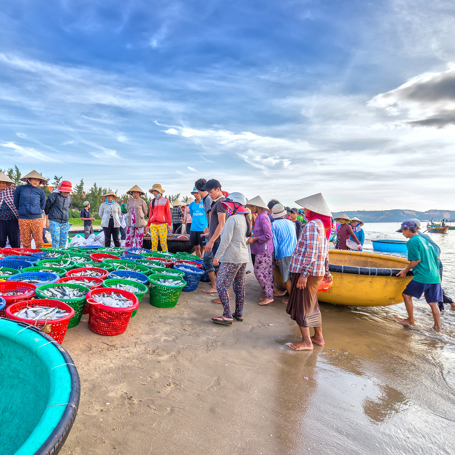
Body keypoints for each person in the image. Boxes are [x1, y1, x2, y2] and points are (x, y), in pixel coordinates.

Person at [286, 193, 333, 351]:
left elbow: (312, 252)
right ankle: (318, 337)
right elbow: (325, 251)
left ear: (313, 210)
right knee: (312, 304)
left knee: (302, 306)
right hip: (316, 271)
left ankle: (307, 342)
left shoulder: (313, 225)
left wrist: (304, 275)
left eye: (306, 208)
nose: (304, 211)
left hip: (308, 272)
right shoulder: (321, 225)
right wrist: (327, 271)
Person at [211, 192, 252, 325]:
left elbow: (225, 241)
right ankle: (238, 313)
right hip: (242, 258)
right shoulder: (245, 219)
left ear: (236, 205)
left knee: (221, 285)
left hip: (231, 258)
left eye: (229, 205)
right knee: (239, 286)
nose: (227, 208)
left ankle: (227, 314)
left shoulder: (232, 219)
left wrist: (217, 256)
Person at [396, 221, 443, 331]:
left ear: (408, 229)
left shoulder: (412, 241)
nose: (402, 233)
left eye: (402, 231)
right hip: (435, 276)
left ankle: (411, 321)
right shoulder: (425, 241)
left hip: (423, 276)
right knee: (433, 303)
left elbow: (416, 260)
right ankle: (437, 327)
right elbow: (437, 258)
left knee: (406, 295)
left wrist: (405, 271)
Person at [410, 218, 454, 311]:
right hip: (433, 267)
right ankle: (448, 306)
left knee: (433, 291)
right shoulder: (417, 237)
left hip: (434, 267)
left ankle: (442, 310)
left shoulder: (420, 236)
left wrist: (430, 262)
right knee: (434, 289)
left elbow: (436, 249)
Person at [246, 195, 274, 306]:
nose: (251, 209)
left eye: (252, 207)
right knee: (266, 273)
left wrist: (255, 238)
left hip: (264, 249)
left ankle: (269, 296)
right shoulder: (261, 216)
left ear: (257, 207)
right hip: (262, 248)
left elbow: (268, 235)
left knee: (259, 272)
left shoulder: (262, 217)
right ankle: (268, 295)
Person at [201, 179, 226, 297]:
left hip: (218, 240)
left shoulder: (221, 203)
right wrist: (209, 233)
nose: (210, 195)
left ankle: (220, 291)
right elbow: (215, 224)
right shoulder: (216, 202)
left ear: (218, 189)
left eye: (211, 192)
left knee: (219, 266)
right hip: (216, 238)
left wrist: (211, 240)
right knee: (217, 266)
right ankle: (219, 290)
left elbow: (221, 224)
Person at [14, 170, 47, 248]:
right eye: (34, 179)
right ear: (29, 179)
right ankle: (28, 258)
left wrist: (36, 211)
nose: (36, 181)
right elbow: (16, 202)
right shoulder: (20, 189)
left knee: (39, 240)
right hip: (23, 218)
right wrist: (22, 210)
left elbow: (43, 205)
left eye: (38, 180)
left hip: (37, 218)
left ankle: (40, 257)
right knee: (26, 241)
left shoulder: (40, 192)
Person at [271, 203, 297, 299]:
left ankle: (292, 300)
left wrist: (276, 257)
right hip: (294, 253)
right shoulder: (291, 223)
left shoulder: (273, 225)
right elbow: (295, 239)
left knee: (286, 279)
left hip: (283, 254)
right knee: (293, 277)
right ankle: (295, 298)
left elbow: (275, 243)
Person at [45, 181, 73, 249]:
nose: (66, 193)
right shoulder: (53, 195)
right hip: (54, 221)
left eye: (67, 192)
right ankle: (56, 254)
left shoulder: (69, 198)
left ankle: (62, 256)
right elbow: (47, 207)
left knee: (63, 240)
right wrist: (51, 215)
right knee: (56, 240)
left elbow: (68, 207)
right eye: (64, 191)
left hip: (65, 221)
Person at [147, 183, 172, 252]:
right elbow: (150, 214)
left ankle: (165, 257)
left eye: (154, 191)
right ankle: (154, 256)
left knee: (163, 242)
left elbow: (168, 213)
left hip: (162, 224)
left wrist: (169, 224)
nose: (153, 193)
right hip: (153, 225)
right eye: (152, 191)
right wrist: (148, 225)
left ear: (159, 191)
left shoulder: (165, 200)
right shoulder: (152, 201)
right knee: (154, 243)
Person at [0, 172, 20, 248]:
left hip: (13, 219)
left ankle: (16, 255)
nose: (1, 184)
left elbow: (19, 201)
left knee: (14, 239)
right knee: (1, 239)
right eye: (0, 183)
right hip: (0, 220)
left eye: (3, 183)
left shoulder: (13, 190)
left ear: (7, 183)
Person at [189, 188, 208, 258]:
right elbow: (192, 215)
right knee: (196, 247)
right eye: (194, 193)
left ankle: (202, 260)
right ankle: (198, 260)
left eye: (197, 193)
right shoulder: (191, 205)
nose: (196, 194)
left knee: (203, 246)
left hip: (203, 228)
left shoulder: (205, 203)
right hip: (193, 228)